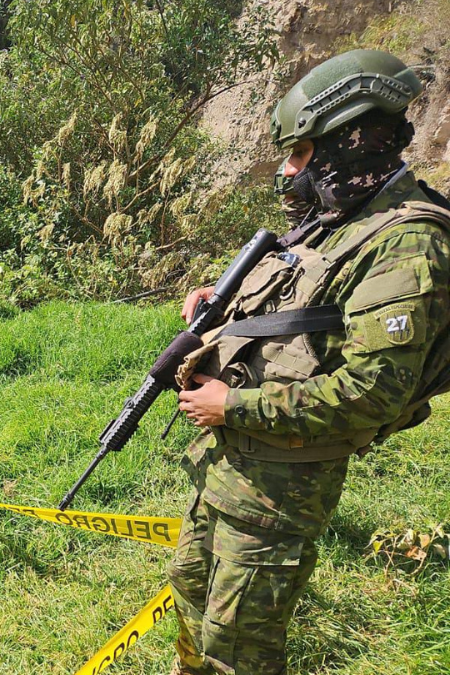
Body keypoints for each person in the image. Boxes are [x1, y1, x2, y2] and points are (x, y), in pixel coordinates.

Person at [167, 49, 450, 674]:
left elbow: (372, 392)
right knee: (188, 595)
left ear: (347, 145)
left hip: (279, 486)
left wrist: (231, 403)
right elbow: (306, 308)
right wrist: (227, 305)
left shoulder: (405, 242)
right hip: (228, 467)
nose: (288, 173)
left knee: (238, 650)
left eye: (299, 155)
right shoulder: (341, 218)